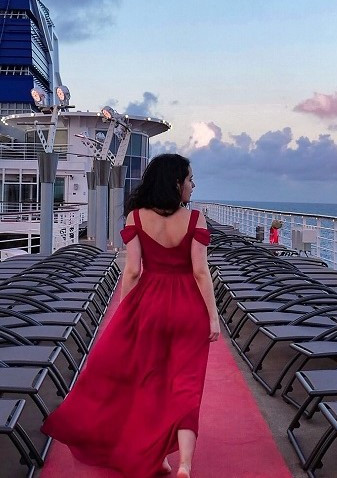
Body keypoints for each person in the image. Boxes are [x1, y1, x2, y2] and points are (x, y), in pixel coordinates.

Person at [41, 153, 220, 478]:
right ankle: (184, 464)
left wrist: (126, 312)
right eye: (190, 179)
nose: (193, 185)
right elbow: (200, 272)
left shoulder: (135, 217)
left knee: (151, 382)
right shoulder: (195, 219)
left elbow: (133, 270)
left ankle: (157, 457)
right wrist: (213, 317)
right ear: (176, 183)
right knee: (187, 385)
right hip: (188, 309)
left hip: (149, 306)